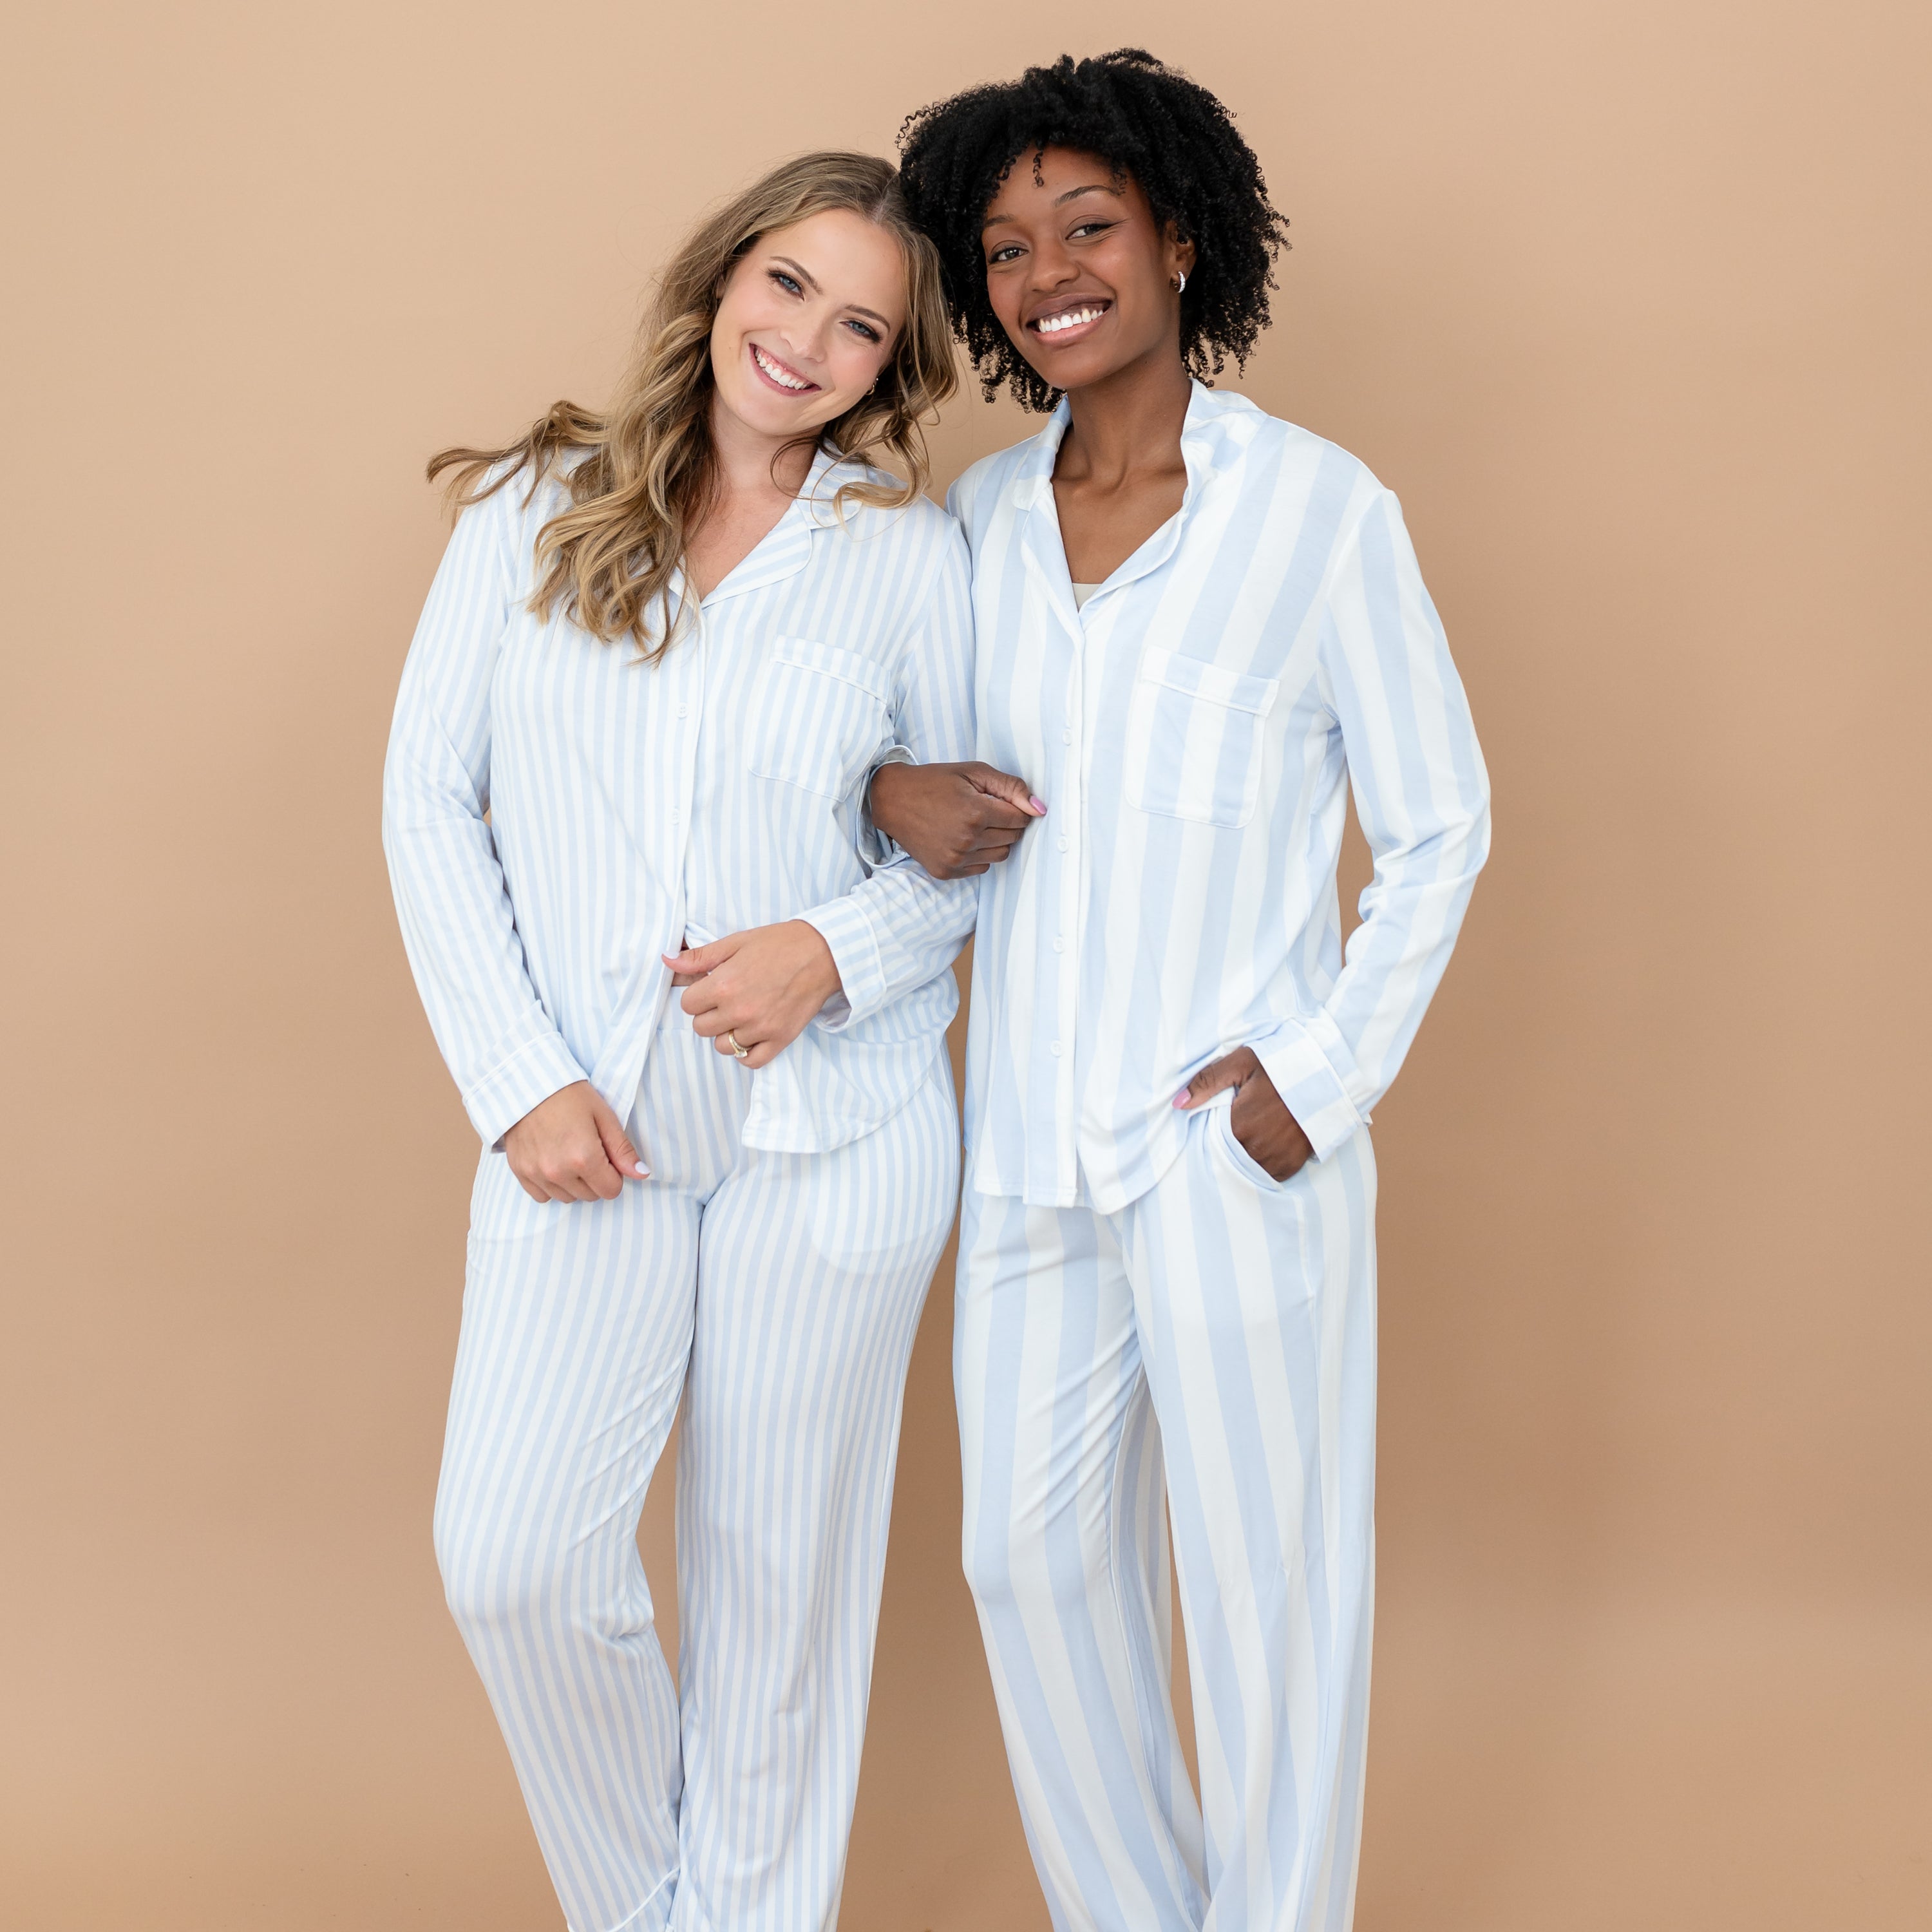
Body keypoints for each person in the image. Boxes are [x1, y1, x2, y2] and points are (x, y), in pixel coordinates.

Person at [874, 52, 1493, 1931]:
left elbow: (1443, 824)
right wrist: (885, 794)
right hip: (1025, 1157)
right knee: (1027, 1567)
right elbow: (900, 768)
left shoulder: (1321, 515)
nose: (1047, 271)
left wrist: (1317, 1079)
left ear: (1180, 242)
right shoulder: (971, 526)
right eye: (1004, 247)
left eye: (1089, 227)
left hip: (1230, 1152)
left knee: (1270, 1591)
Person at [381, 153, 977, 1932]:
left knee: (775, 1601)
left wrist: (831, 949)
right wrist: (517, 1082)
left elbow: (969, 848)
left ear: (892, 367)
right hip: (593, 1133)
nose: (807, 340)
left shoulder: (905, 558)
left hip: (838, 1138)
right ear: (725, 276)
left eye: (861, 323)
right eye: (789, 285)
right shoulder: (535, 505)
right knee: (515, 1564)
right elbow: (428, 803)